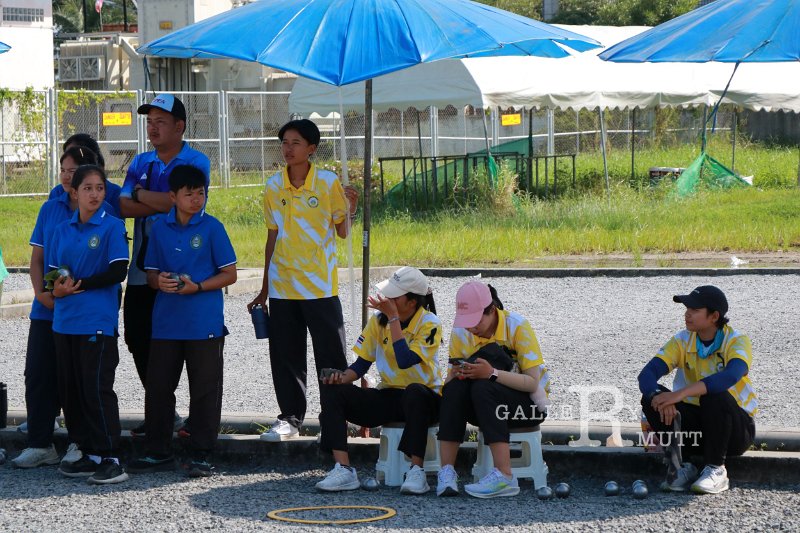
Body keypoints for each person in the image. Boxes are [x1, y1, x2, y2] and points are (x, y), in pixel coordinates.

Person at [247, 119, 358, 442]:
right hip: (283, 286)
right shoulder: (272, 186)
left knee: (331, 358)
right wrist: (265, 288)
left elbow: (341, 231)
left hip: (320, 286)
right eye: (284, 142)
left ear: (311, 148)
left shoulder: (327, 183)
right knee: (285, 356)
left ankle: (334, 420)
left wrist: (352, 207)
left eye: (295, 143)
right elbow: (272, 237)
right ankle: (290, 419)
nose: (288, 149)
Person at [127, 165, 237, 478]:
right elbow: (149, 273)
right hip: (165, 324)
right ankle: (157, 451)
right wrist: (157, 281)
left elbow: (230, 274)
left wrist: (198, 286)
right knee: (159, 388)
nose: (196, 199)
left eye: (201, 193)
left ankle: (201, 453)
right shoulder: (159, 228)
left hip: (204, 324)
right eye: (189, 194)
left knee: (205, 389)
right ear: (173, 196)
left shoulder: (213, 228)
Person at [11, 148, 111, 470]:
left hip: (83, 314)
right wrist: (41, 293)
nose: (68, 176)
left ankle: (78, 444)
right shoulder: (50, 208)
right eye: (64, 169)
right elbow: (38, 259)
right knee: (38, 375)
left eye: (75, 170)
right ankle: (40, 443)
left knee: (80, 382)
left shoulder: (104, 210)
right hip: (47, 308)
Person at [119, 94, 210, 437]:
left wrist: (143, 196)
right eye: (149, 121)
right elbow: (123, 206)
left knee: (187, 346)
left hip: (183, 268)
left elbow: (185, 208)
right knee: (137, 337)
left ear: (179, 126)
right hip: (143, 271)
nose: (153, 128)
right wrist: (156, 201)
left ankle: (196, 422)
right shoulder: (141, 161)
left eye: (160, 122)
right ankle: (163, 412)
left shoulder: (196, 160)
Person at [315, 267, 442, 494]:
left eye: (395, 296)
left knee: (414, 392)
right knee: (334, 392)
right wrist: (340, 378)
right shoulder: (378, 321)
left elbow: (405, 360)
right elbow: (361, 365)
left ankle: (416, 471)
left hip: (426, 398)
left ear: (412, 302)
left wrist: (393, 319)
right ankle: (343, 469)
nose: (387, 299)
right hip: (389, 395)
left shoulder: (429, 322)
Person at [46, 164, 129, 484]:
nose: (95, 194)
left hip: (96, 321)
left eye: (100, 188)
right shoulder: (61, 229)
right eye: (88, 188)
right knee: (72, 391)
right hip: (64, 321)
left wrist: (76, 284)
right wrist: (56, 287)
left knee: (96, 389)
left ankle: (112, 457)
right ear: (74, 192)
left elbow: (117, 271)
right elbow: (55, 272)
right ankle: (89, 452)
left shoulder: (111, 226)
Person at [437, 281, 551, 499]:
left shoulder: (517, 326)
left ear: (492, 310)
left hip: (528, 406)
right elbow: (453, 374)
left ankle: (505, 476)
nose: (471, 327)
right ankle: (447, 472)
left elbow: (533, 383)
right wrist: (457, 375)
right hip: (484, 407)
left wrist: (492, 373)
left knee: (483, 386)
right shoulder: (461, 331)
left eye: (476, 320)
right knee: (454, 389)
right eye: (466, 321)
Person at [638, 285, 756, 495]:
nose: (687, 314)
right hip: (698, 429)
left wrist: (679, 395)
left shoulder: (737, 340)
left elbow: (730, 376)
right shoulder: (683, 339)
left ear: (714, 316)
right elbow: (647, 375)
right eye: (686, 309)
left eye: (694, 310)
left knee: (713, 395)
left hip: (735, 431)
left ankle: (716, 469)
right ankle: (684, 466)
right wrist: (658, 397)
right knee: (651, 399)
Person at [48, 134, 121, 215]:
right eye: (63, 170)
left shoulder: (113, 194)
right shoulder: (57, 193)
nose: (66, 176)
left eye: (75, 155)